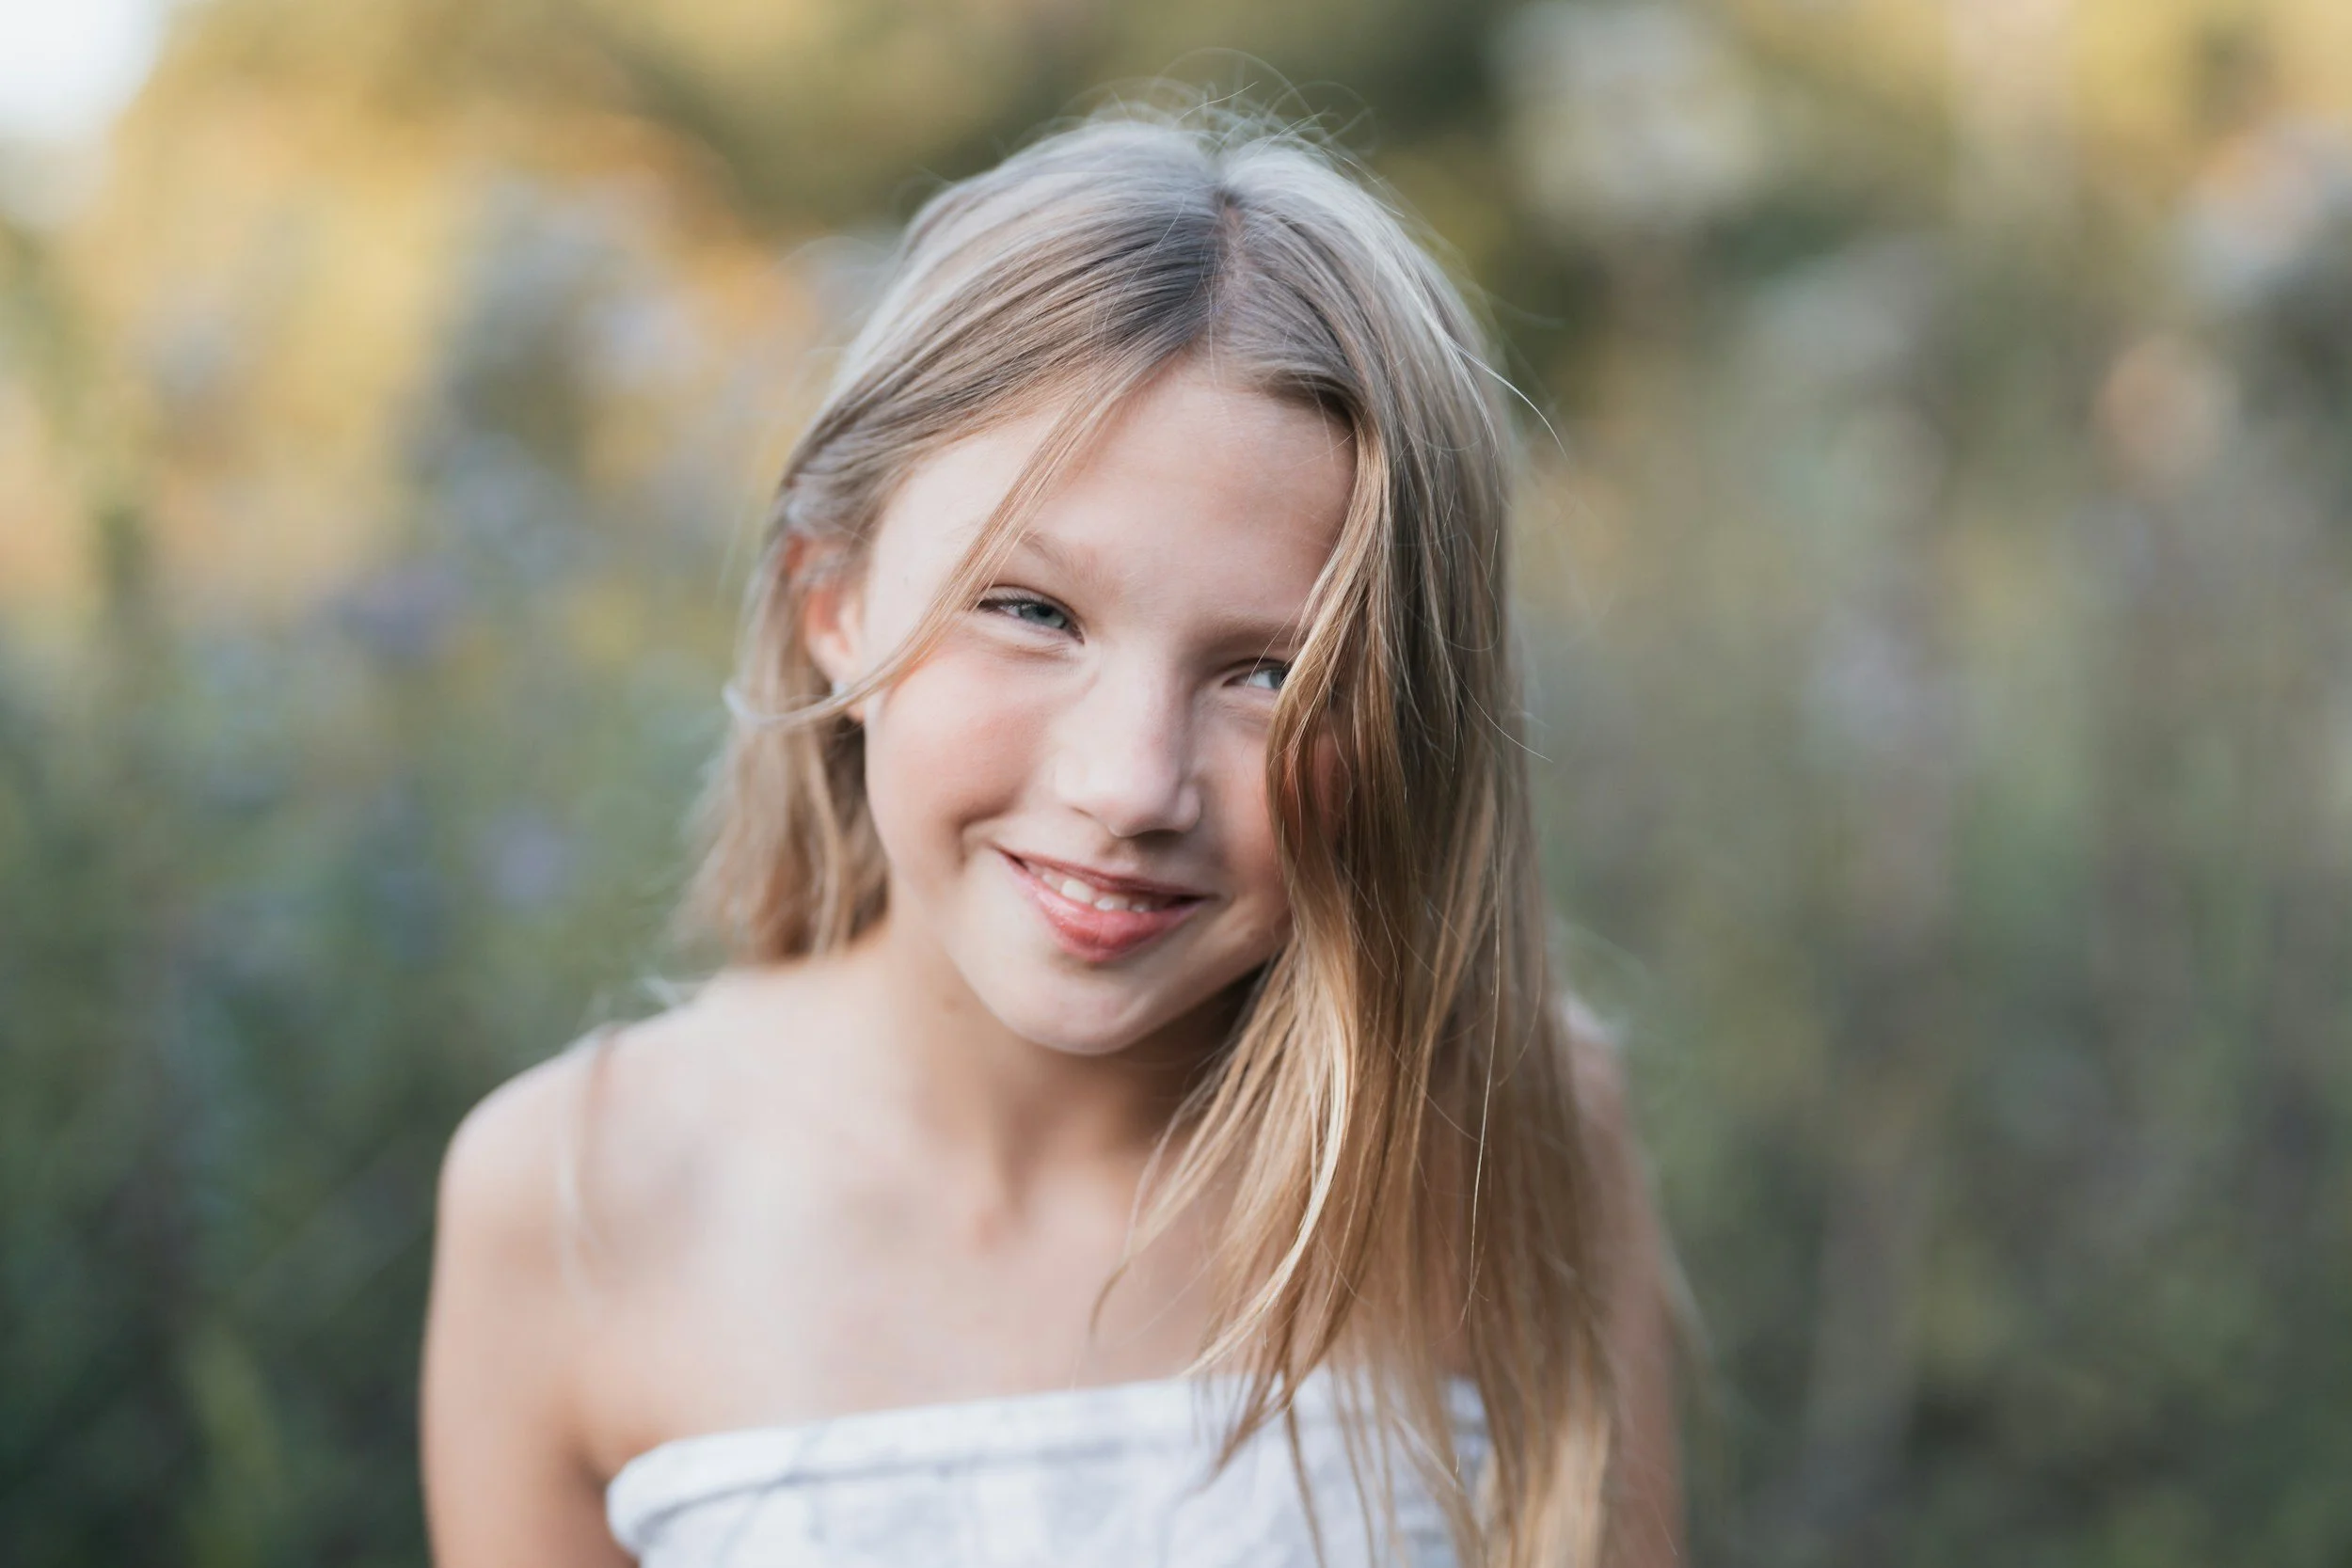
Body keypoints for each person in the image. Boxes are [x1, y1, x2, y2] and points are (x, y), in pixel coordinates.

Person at [419, 98, 1684, 1567]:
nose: (1131, 783)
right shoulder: (573, 1193)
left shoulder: (1503, 1133)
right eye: (1032, 611)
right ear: (834, 602)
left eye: (1275, 674)